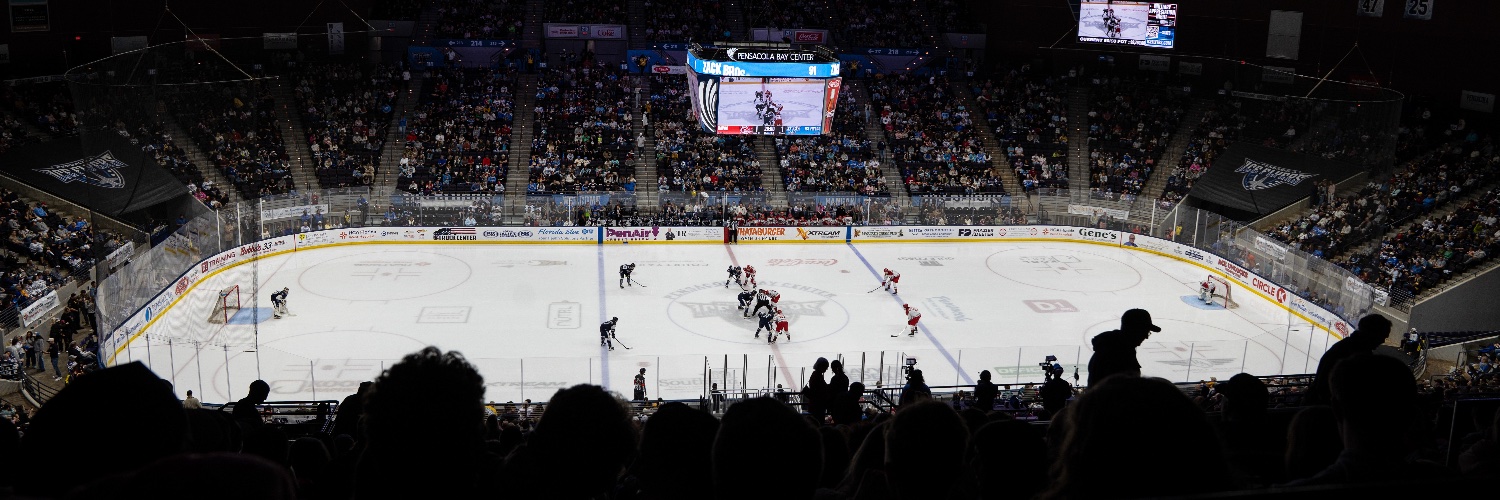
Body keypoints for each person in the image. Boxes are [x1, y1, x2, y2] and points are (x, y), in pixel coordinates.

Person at [1304, 314, 1392, 405]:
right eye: (1383, 336)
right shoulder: (1351, 354)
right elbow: (1325, 388)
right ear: (1372, 333)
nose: (1383, 341)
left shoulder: (1347, 348)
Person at [1086, 308, 1160, 386]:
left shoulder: (1118, 348)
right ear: (1134, 330)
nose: (1146, 336)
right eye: (1145, 331)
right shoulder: (1116, 354)